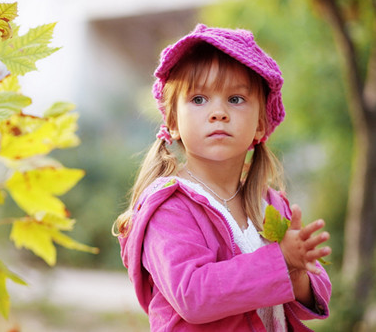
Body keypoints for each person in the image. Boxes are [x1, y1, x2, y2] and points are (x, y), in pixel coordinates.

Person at [113, 24, 332, 331]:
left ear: (259, 125)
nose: (218, 113)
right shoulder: (168, 208)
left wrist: (297, 272)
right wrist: (280, 261)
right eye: (199, 99)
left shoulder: (270, 204)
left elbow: (315, 295)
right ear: (173, 121)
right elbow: (193, 295)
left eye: (236, 99)